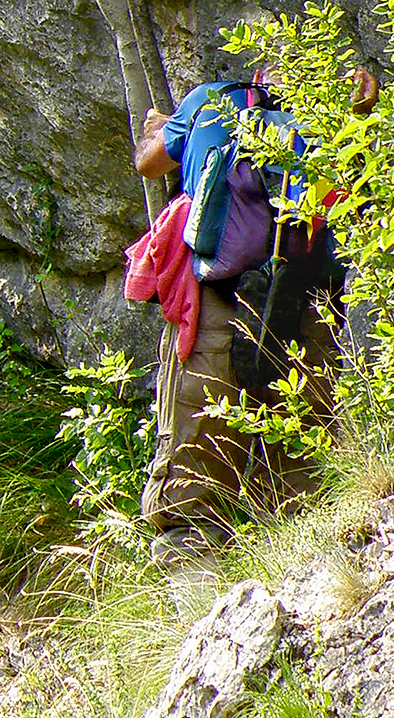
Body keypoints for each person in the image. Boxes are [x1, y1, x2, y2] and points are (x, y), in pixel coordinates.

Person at [129, 66, 378, 534]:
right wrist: (361, 113)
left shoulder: (208, 101)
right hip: (309, 311)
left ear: (259, 76)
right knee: (305, 472)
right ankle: (297, 574)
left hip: (216, 307)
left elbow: (149, 163)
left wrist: (159, 127)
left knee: (191, 474)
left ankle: (191, 587)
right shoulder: (335, 121)